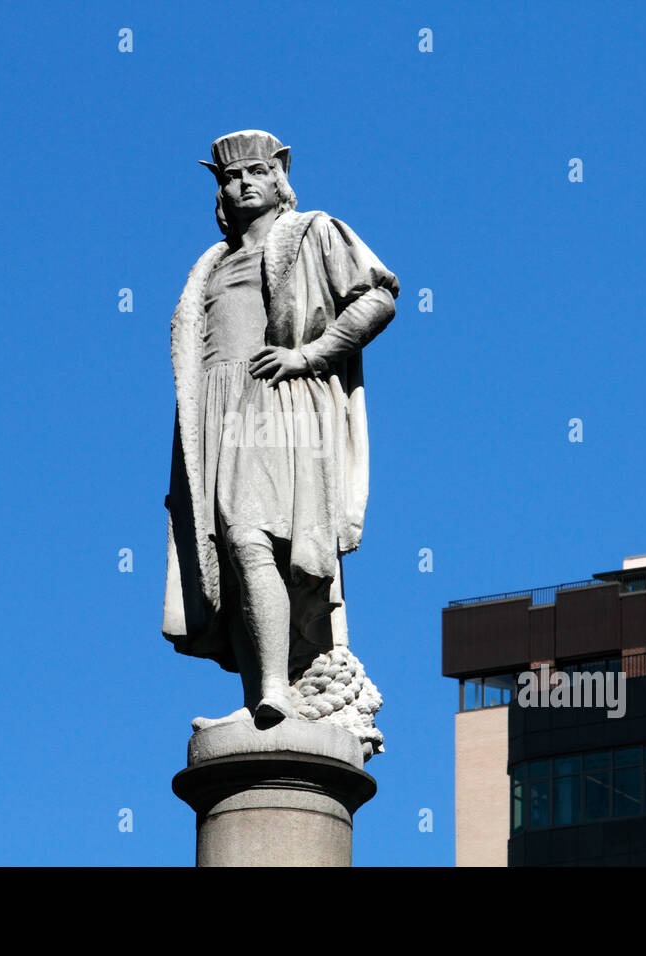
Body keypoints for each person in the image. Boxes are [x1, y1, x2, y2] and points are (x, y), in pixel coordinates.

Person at [163, 130, 398, 731]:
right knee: (223, 555)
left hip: (274, 396)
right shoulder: (210, 263)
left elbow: (377, 298)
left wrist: (312, 355)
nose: (240, 184)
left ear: (278, 180)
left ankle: (275, 689)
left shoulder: (312, 231)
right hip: (212, 410)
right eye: (228, 178)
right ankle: (257, 694)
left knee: (251, 535)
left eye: (254, 173)